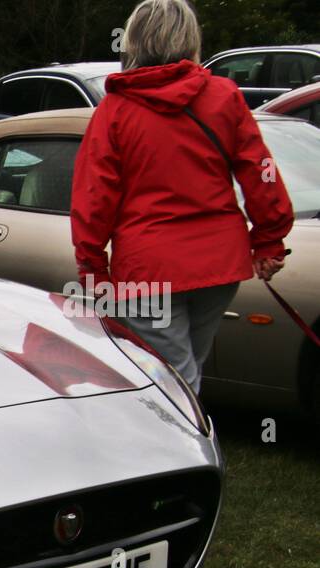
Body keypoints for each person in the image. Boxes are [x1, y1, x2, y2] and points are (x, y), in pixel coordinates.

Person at [70, 0, 293, 394]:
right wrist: (268, 237)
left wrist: (92, 265)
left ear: (134, 41)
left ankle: (184, 449)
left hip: (148, 267)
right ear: (190, 39)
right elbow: (261, 171)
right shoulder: (224, 96)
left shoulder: (116, 110)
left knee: (169, 377)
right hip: (219, 262)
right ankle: (183, 442)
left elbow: (94, 196)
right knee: (185, 368)